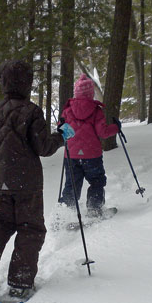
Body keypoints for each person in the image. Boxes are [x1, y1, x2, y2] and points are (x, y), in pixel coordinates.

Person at [0, 59, 74, 301]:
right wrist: (61, 136)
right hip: (27, 183)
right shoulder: (32, 111)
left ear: (3, 82)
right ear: (28, 83)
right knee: (30, 228)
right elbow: (43, 147)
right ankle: (20, 281)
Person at [58, 73, 120, 217]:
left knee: (71, 185)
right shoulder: (96, 111)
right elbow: (103, 132)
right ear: (91, 93)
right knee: (97, 181)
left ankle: (65, 215)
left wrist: (65, 129)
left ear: (76, 93)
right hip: (92, 156)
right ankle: (94, 209)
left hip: (71, 156)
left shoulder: (67, 110)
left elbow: (62, 130)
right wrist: (116, 127)